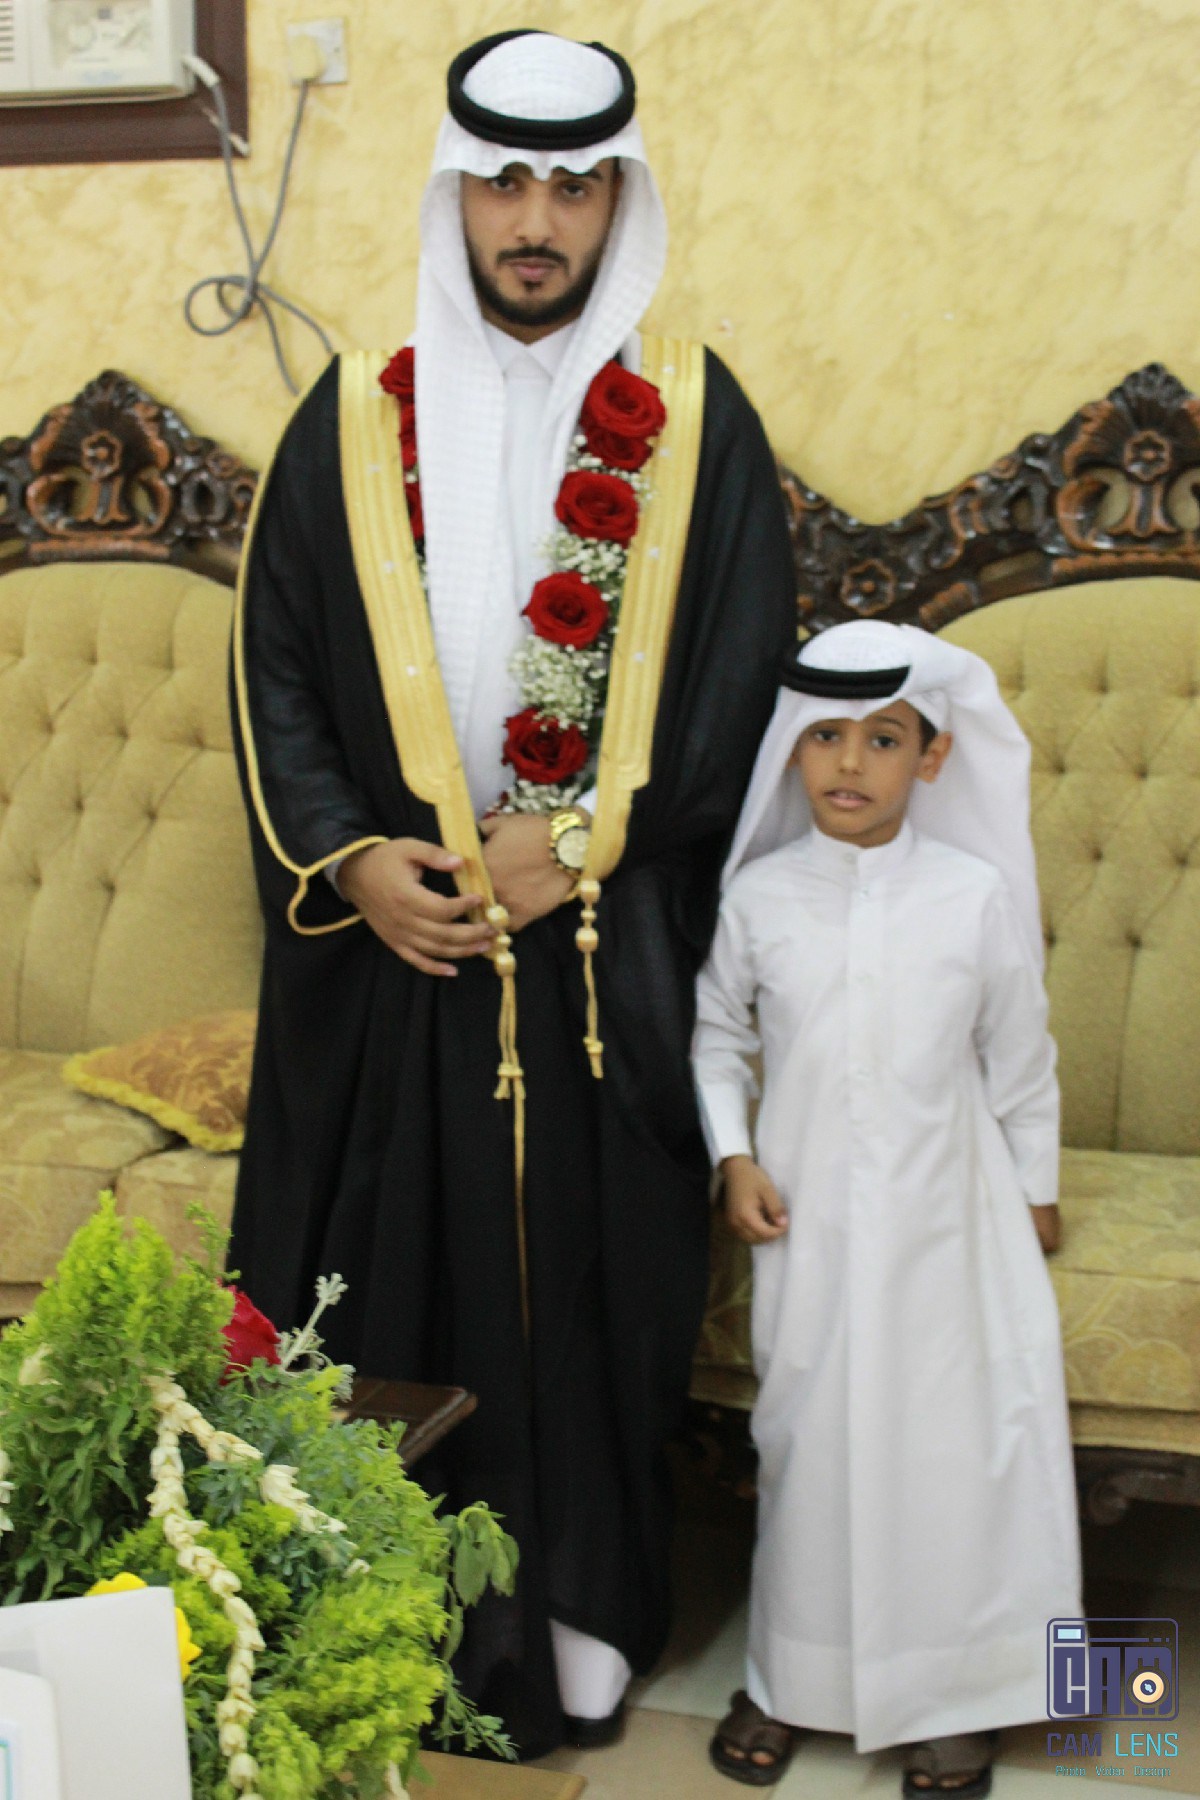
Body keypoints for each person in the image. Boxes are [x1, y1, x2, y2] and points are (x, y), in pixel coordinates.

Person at [228, 28, 796, 1761]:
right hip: (396, 947)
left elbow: (738, 679)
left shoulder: (693, 421)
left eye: (572, 186)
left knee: (584, 1298)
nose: (534, 221)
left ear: (620, 201)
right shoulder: (353, 417)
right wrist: (355, 863)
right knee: (374, 1288)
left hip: (598, 954)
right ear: (453, 196)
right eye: (503, 184)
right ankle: (362, 1625)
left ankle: (576, 1628)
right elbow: (279, 676)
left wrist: (588, 833)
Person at [693, 621, 1082, 1794]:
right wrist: (734, 1158)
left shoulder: (971, 895)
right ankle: (791, 1678)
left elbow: (1020, 1055)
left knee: (952, 1448)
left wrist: (1037, 1186)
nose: (850, 762)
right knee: (810, 1443)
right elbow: (717, 1039)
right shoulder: (760, 896)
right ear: (792, 752)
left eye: (883, 738)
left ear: (933, 757)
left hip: (951, 1220)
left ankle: (960, 1695)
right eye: (826, 737)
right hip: (809, 1222)